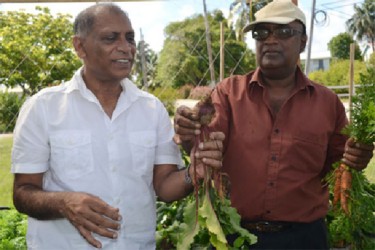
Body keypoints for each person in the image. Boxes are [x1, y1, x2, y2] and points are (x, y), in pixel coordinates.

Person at [11, 3, 224, 249]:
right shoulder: (43, 107)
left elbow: (164, 187)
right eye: (110, 38)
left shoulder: (152, 109)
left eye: (130, 38)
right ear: (79, 46)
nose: (126, 47)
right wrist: (64, 202)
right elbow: (23, 193)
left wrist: (193, 173)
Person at [173, 0, 374, 249]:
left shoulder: (328, 103)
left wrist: (357, 157)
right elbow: (204, 144)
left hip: (304, 238)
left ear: (303, 41)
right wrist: (190, 132)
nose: (269, 40)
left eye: (283, 32)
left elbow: (339, 165)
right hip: (236, 236)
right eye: (261, 33)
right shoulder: (227, 93)